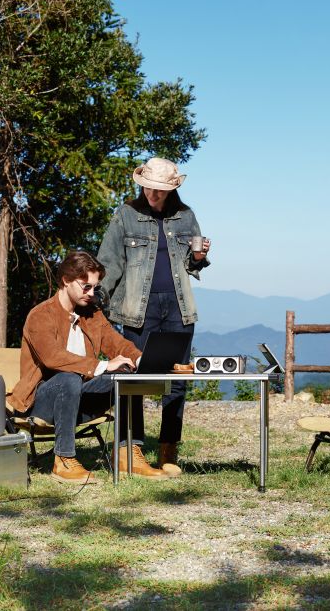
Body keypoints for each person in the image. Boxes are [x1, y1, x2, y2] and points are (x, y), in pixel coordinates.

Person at [9, 250, 169, 484]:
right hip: (42, 402)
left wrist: (145, 361)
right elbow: (52, 358)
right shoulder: (41, 315)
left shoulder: (91, 314)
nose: (91, 293)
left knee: (127, 377)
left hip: (79, 398)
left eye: (94, 287)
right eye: (86, 286)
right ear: (65, 280)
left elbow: (118, 344)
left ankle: (127, 455)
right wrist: (103, 365)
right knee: (69, 377)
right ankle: (63, 459)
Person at [97, 157, 210, 477]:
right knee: (133, 379)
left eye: (159, 190)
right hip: (136, 310)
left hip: (178, 309)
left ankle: (168, 450)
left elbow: (192, 265)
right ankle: (130, 452)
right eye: (148, 187)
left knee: (176, 381)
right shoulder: (125, 216)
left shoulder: (186, 217)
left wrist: (200, 257)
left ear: (171, 189)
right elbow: (109, 263)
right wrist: (95, 300)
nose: (152, 194)